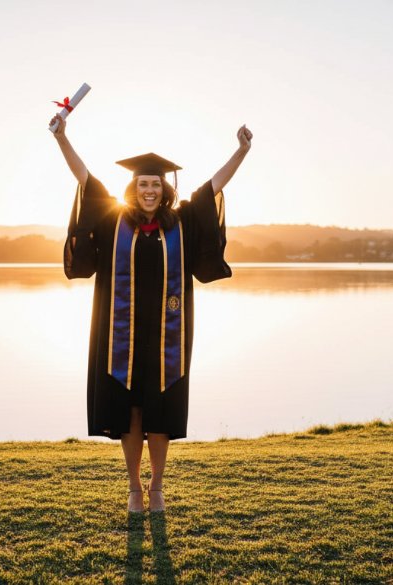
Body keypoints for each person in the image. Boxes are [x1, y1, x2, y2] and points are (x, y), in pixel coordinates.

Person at [51, 113, 253, 513]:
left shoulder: (181, 223)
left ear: (164, 190)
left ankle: (157, 486)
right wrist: (62, 138)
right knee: (130, 413)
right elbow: (85, 178)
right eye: (143, 184)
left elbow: (214, 185)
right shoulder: (112, 221)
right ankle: (133, 488)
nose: (148, 190)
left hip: (168, 337)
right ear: (134, 188)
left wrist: (241, 151)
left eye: (155, 184)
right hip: (119, 335)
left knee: (159, 411)